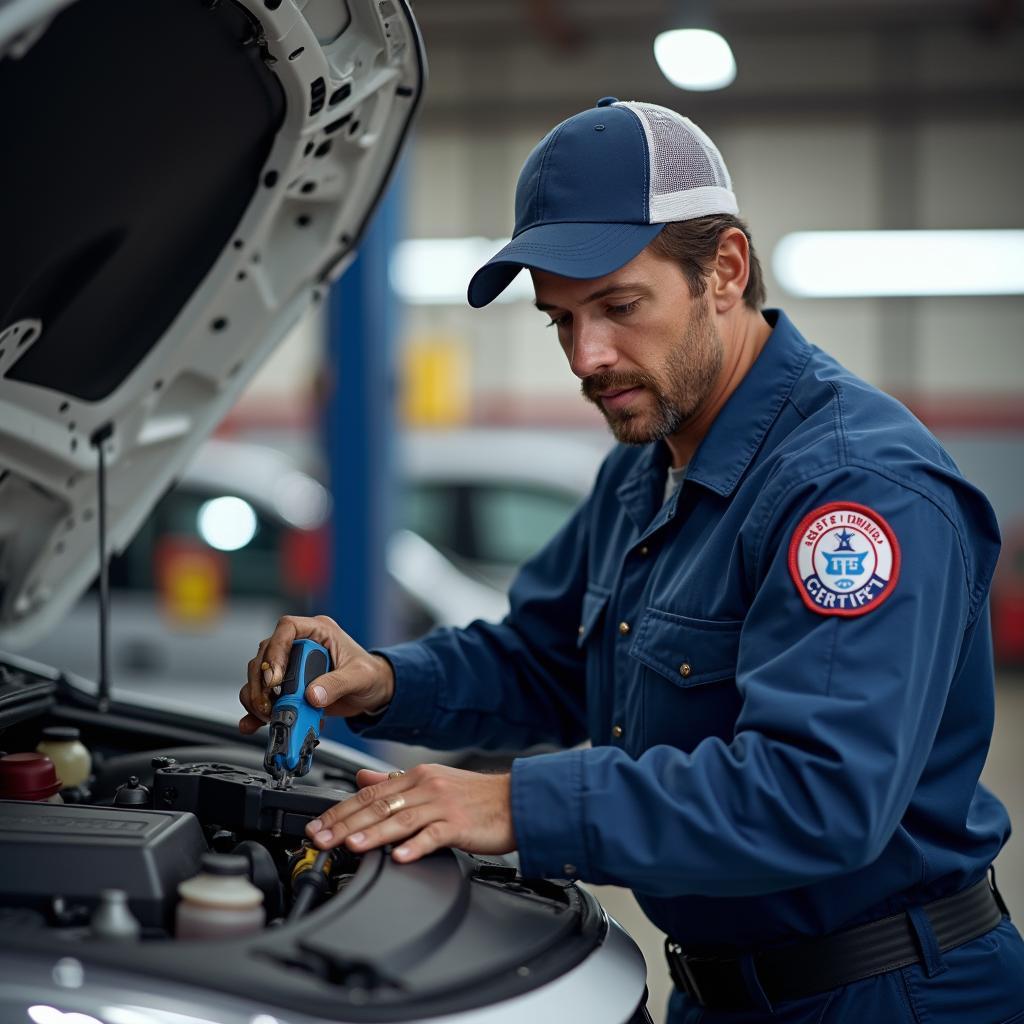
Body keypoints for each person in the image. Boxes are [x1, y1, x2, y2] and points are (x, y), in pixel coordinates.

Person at [240, 98, 1024, 1022]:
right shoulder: (644, 470)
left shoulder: (853, 491)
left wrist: (518, 807)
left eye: (618, 306)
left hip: (888, 995)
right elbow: (545, 657)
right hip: (717, 989)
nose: (589, 356)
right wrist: (382, 681)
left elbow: (817, 793)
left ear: (723, 270)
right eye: (560, 321)